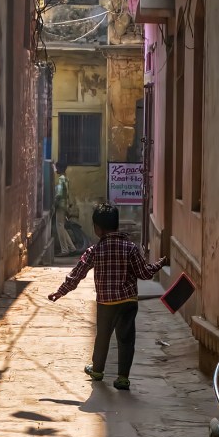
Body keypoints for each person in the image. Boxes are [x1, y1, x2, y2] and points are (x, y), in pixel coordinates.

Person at [47, 203, 166, 390]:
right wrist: (158, 265)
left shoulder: (95, 251)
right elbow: (144, 273)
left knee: (102, 337)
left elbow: (77, 274)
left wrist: (60, 292)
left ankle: (97, 370)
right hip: (128, 302)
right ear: (117, 225)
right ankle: (123, 378)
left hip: (106, 303)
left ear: (97, 228)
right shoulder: (131, 248)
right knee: (126, 339)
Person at [53, 163, 77, 256]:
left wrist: (54, 204)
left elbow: (59, 194)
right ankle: (72, 248)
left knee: (60, 227)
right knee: (62, 227)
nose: (56, 170)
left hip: (60, 206)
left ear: (60, 168)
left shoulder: (61, 179)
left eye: (57, 168)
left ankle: (64, 250)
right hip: (65, 206)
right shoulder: (66, 178)